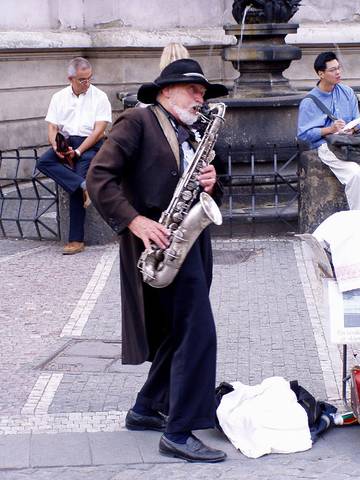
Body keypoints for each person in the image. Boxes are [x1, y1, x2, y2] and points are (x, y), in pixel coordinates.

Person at [86, 58, 228, 462]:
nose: (201, 98)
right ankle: (179, 431)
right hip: (156, 240)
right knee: (198, 332)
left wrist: (212, 182)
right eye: (193, 90)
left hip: (190, 240)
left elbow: (207, 186)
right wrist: (135, 221)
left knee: (174, 331)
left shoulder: (196, 128)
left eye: (203, 92)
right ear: (166, 91)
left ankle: (146, 408)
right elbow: (99, 176)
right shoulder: (137, 122)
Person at [37, 57, 112, 254]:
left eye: (89, 79)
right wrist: (56, 146)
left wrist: (78, 152)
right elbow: (52, 126)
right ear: (70, 78)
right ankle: (82, 185)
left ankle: (76, 240)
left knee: (77, 177)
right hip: (67, 142)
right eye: (82, 80)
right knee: (43, 162)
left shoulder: (100, 97)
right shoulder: (58, 97)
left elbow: (98, 132)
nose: (87, 83)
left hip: (91, 144)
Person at [298, 51, 360, 210]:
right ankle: (356, 221)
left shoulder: (347, 92)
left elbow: (356, 119)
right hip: (327, 147)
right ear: (321, 74)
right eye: (332, 70)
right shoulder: (309, 102)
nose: (338, 72)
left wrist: (352, 129)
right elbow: (303, 136)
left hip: (350, 143)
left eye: (338, 68)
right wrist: (330, 129)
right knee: (355, 175)